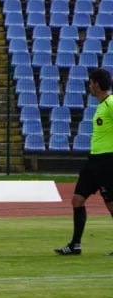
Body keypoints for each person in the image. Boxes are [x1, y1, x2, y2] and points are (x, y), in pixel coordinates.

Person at [55, 68, 113, 255]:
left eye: (90, 82)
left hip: (107, 161)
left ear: (96, 83)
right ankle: (75, 245)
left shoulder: (111, 103)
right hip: (93, 160)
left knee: (111, 204)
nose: (89, 85)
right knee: (77, 200)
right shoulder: (102, 105)